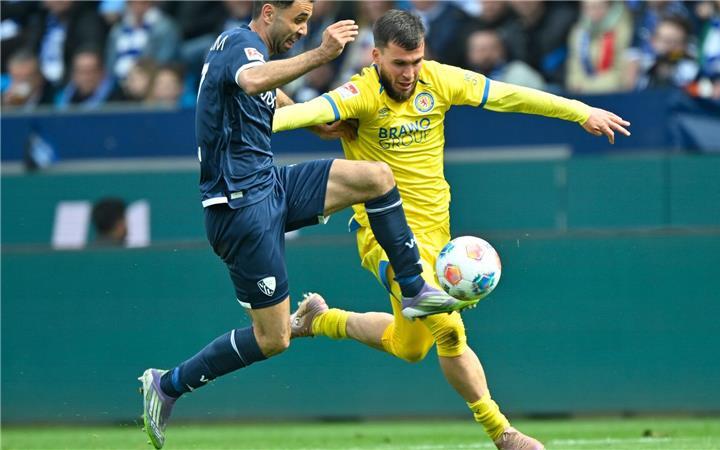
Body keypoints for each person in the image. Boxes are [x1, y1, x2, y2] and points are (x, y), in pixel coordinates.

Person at [273, 10, 630, 450]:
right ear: (376, 56)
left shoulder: (439, 81)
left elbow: (509, 96)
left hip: (438, 239)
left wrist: (581, 111)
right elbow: (308, 113)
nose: (409, 73)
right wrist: (245, 122)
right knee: (447, 327)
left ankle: (319, 319)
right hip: (384, 238)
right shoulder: (361, 92)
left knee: (409, 347)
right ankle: (504, 432)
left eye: (416, 61)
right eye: (399, 64)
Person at [138, 3, 472, 449]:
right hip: (239, 208)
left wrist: (318, 122)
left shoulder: (248, 50)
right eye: (298, 20)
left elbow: (265, 94)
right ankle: (168, 384)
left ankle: (413, 287)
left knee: (376, 177)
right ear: (269, 11)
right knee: (274, 339)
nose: (303, 29)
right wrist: (321, 54)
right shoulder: (242, 45)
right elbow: (254, 81)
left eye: (308, 21)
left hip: (270, 184)